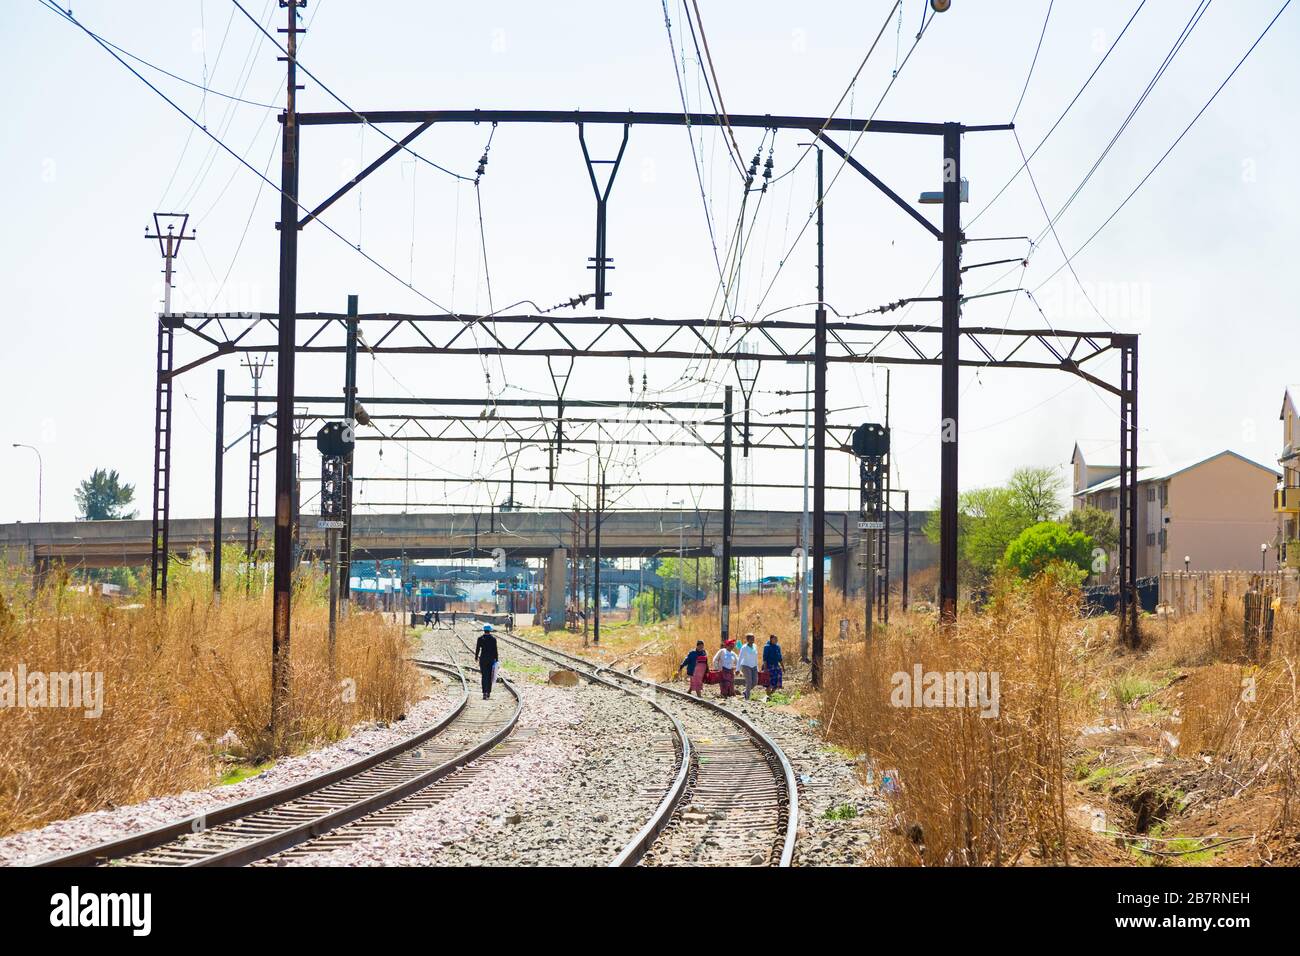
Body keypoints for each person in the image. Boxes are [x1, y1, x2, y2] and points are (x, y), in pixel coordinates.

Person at [474, 623, 499, 700]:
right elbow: (495, 650)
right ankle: (488, 692)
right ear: (490, 630)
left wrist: (476, 657)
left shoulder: (480, 638)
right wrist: (496, 659)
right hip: (491, 659)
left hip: (483, 659)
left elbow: (478, 649)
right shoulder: (493, 639)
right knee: (490, 676)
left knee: (484, 676)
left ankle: (484, 692)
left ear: (484, 630)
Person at [737, 633, 760, 700]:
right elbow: (740, 658)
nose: (753, 640)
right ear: (747, 639)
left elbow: (756, 657)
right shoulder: (744, 647)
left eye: (753, 638)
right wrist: (738, 669)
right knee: (749, 681)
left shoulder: (755, 646)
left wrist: (757, 667)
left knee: (755, 682)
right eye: (751, 638)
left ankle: (745, 692)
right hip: (746, 665)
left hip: (754, 666)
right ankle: (747, 697)